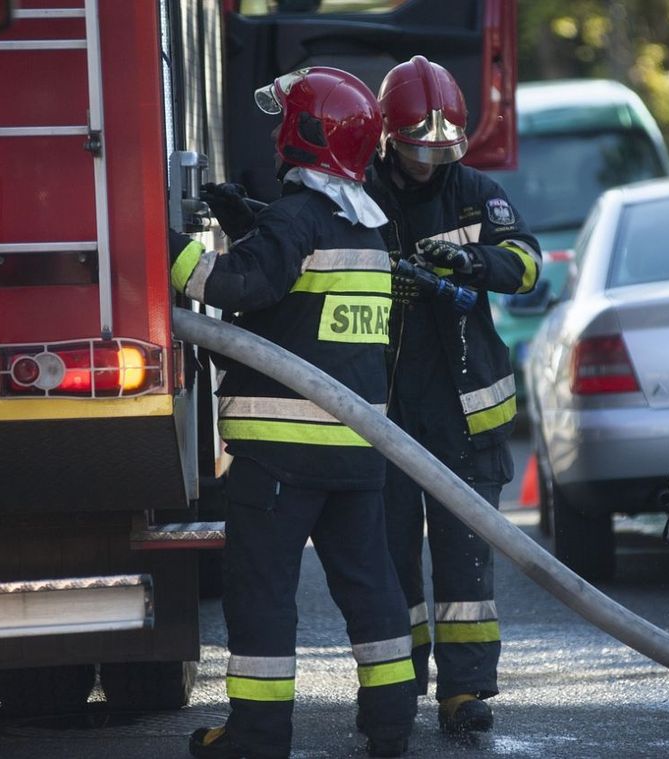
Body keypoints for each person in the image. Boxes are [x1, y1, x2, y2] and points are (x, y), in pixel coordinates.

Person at [171, 66, 417, 759]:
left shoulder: (297, 217)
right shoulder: (366, 228)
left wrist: (160, 248)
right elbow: (308, 305)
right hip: (356, 451)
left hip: (280, 456)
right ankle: (392, 722)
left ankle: (255, 737)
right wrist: (251, 218)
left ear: (303, 132)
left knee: (262, 595)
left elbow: (239, 283)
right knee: (372, 589)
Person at [365, 56, 541, 734]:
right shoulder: (361, 197)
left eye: (440, 148)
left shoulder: (475, 193)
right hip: (385, 415)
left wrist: (476, 261)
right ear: (388, 135)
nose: (428, 162)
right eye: (417, 147)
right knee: (391, 563)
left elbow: (525, 260)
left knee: (466, 564)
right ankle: (394, 694)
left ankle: (464, 694)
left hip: (466, 418)